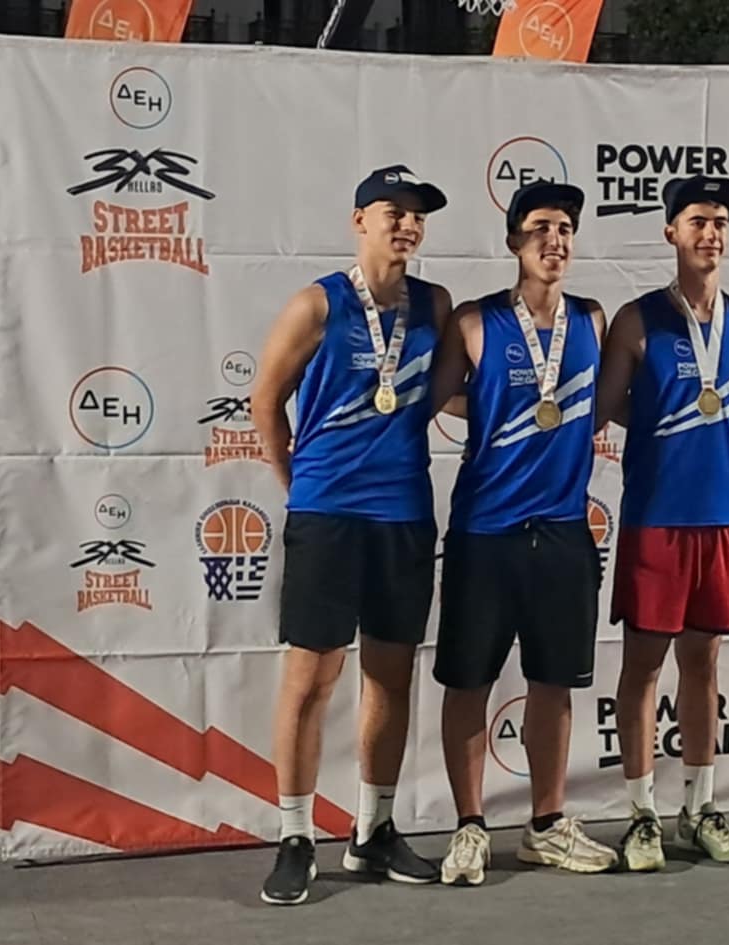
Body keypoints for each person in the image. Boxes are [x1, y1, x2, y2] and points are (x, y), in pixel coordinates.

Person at [251, 165, 451, 905]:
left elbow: (451, 392)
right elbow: (265, 401)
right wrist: (300, 487)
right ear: (359, 220)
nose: (406, 224)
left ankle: (374, 829)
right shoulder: (317, 304)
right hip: (329, 515)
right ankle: (295, 835)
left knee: (391, 676)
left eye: (417, 215)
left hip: (403, 514)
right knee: (310, 679)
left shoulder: (434, 304)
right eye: (392, 211)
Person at [426, 180, 617, 886]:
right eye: (539, 227)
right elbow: (429, 400)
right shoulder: (475, 322)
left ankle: (546, 824)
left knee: (553, 683)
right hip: (485, 532)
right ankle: (470, 826)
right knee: (468, 682)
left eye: (564, 228)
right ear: (513, 241)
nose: (553, 240)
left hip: (564, 530)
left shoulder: (592, 319)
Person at [595, 175, 729, 870]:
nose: (710, 233)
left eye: (720, 221)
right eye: (697, 220)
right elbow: (602, 408)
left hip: (724, 519)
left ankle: (700, 808)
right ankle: (642, 814)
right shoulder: (637, 320)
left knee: (704, 664)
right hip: (656, 519)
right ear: (671, 231)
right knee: (642, 667)